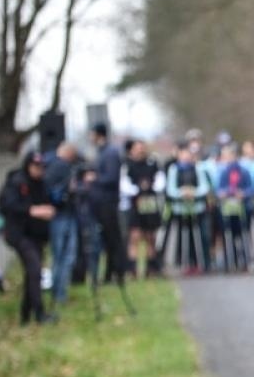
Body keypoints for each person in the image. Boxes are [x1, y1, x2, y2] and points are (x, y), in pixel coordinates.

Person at [0, 151, 56, 324]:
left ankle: (26, 314)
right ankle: (39, 314)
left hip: (36, 235)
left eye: (41, 167)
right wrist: (33, 210)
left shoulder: (41, 184)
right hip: (20, 235)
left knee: (32, 273)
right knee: (35, 270)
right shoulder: (17, 182)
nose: (39, 171)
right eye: (36, 167)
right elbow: (7, 204)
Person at [165, 141, 213, 274]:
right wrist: (182, 193)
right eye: (184, 153)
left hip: (197, 208)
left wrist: (193, 192)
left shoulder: (198, 168)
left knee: (201, 236)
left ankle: (203, 263)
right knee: (184, 237)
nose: (186, 156)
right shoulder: (174, 169)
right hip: (181, 209)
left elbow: (204, 187)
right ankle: (186, 263)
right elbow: (170, 189)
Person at [88, 121, 126, 284]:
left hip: (108, 203)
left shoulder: (109, 153)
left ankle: (117, 272)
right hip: (102, 202)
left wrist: (94, 178)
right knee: (108, 239)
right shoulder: (102, 152)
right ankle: (110, 273)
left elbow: (111, 177)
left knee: (113, 239)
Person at [44, 142, 81, 305]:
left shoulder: (49, 164)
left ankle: (59, 292)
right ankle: (59, 293)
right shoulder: (61, 167)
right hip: (61, 215)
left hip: (61, 215)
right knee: (63, 255)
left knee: (61, 255)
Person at [124, 138, 164, 277]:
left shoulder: (153, 163)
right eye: (137, 148)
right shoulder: (127, 165)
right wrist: (138, 190)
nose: (140, 150)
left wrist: (150, 188)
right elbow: (124, 185)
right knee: (135, 236)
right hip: (135, 204)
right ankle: (133, 270)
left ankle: (151, 268)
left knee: (150, 237)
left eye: (142, 147)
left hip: (150, 204)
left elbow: (160, 182)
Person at [216, 144, 254, 273]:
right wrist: (226, 192)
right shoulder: (222, 172)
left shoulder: (244, 171)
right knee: (228, 235)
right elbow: (218, 190)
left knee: (243, 234)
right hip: (227, 209)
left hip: (242, 208)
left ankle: (245, 260)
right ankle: (229, 262)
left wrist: (242, 193)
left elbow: (251, 189)